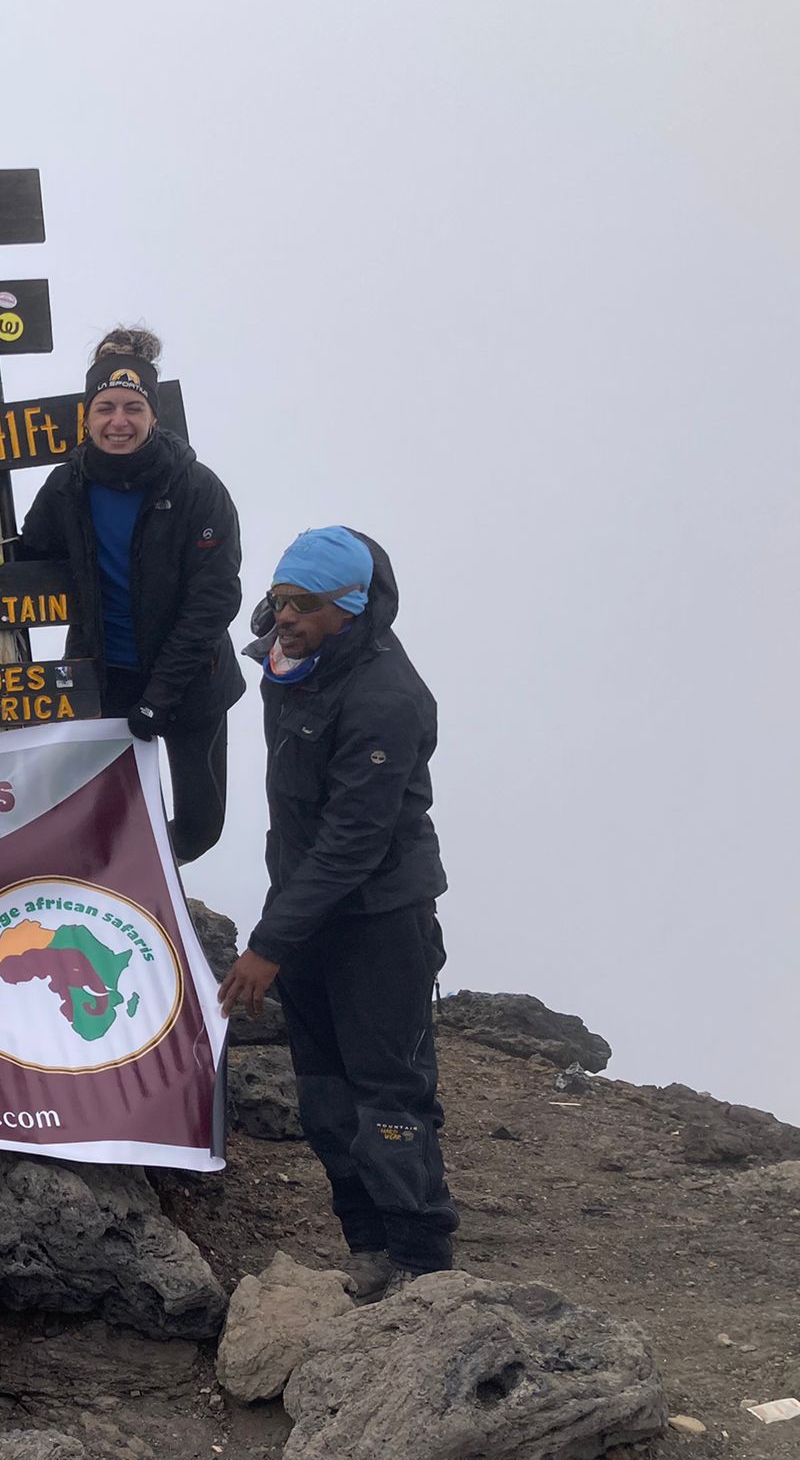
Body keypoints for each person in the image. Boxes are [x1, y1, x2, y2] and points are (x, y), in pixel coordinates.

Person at [216, 527, 456, 1298]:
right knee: (323, 1098)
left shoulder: (386, 699)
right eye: (280, 598)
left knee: (388, 1093)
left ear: (351, 608)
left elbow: (354, 843)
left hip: (380, 921)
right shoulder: (288, 659)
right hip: (305, 908)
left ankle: (421, 1263)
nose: (285, 616)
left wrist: (267, 943)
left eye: (305, 604)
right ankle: (369, 1247)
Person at [0, 326, 244, 862]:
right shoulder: (68, 485)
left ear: (153, 414)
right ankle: (135, 910)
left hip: (191, 682)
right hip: (102, 681)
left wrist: (161, 696)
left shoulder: (198, 489)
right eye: (105, 407)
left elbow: (215, 601)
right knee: (111, 818)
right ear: (87, 415)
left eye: (133, 407)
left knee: (200, 828)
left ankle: (165, 895)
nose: (119, 422)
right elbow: (32, 560)